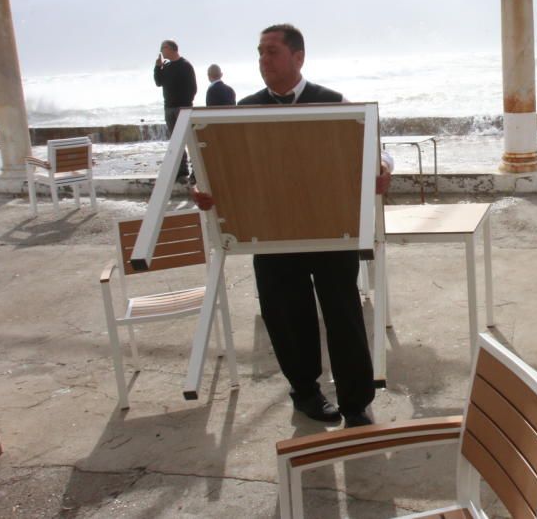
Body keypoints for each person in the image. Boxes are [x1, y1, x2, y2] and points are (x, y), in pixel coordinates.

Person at [192, 23, 392, 428]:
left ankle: (356, 403)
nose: (263, 60)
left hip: (330, 228)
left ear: (298, 57)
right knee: (286, 317)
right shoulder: (242, 110)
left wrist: (384, 167)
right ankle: (306, 394)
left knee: (343, 314)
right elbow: (214, 162)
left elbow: (375, 147)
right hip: (271, 233)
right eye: (260, 52)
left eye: (271, 52)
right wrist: (201, 186)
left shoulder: (333, 103)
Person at [153, 40, 197, 183]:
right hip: (169, 108)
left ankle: (196, 171)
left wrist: (185, 104)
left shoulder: (185, 65)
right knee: (176, 142)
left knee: (190, 140)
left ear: (171, 49)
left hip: (182, 108)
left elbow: (193, 88)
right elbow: (158, 82)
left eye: (163, 48)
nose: (161, 51)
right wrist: (157, 67)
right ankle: (181, 172)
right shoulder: (166, 66)